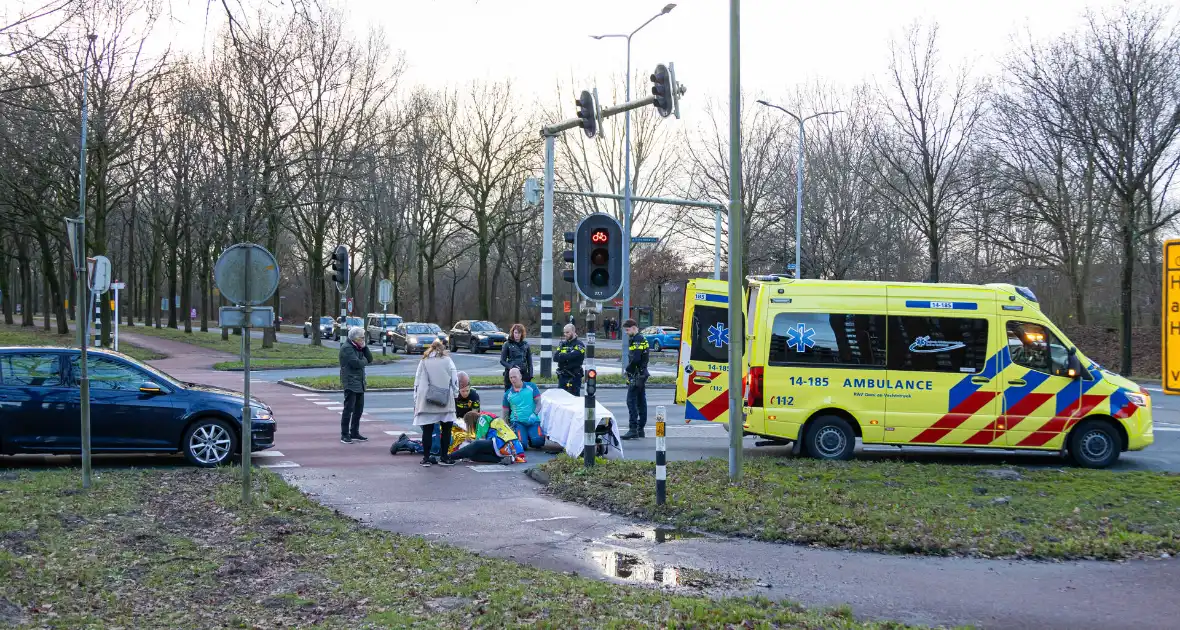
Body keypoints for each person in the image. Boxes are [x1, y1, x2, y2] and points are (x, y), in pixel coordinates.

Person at [413, 339, 459, 467]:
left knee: (427, 430)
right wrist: (455, 394)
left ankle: (426, 458)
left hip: (426, 399)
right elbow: (454, 380)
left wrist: (416, 398)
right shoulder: (448, 360)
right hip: (444, 398)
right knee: (447, 429)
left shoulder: (424, 361)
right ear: (442, 349)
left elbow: (417, 380)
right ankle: (444, 457)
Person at [429, 371, 481, 456]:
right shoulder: (453, 394)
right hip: (455, 420)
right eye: (463, 391)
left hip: (468, 422)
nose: (465, 393)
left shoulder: (474, 395)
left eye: (467, 391)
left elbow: (474, 414)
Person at [338, 326, 373, 444]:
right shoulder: (347, 348)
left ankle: (354, 432)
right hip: (350, 381)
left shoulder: (359, 347)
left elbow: (370, 358)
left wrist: (365, 347)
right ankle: (344, 434)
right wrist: (364, 362)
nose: (363, 339)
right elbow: (356, 363)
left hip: (359, 381)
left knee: (359, 409)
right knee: (349, 409)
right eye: (362, 338)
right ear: (355, 338)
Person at [448, 410, 520, 465]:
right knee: (472, 455)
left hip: (501, 442)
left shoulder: (482, 418)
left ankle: (450, 456)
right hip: (510, 444)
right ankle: (502, 459)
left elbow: (479, 440)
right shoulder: (489, 415)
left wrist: (471, 442)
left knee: (476, 445)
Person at [621, 318, 650, 440]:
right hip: (642, 374)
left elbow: (636, 359)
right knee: (641, 402)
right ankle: (640, 429)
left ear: (634, 327)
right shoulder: (641, 338)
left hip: (637, 375)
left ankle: (633, 429)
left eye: (627, 330)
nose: (626, 332)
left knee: (631, 401)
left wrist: (627, 370)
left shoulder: (637, 339)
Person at [503, 366, 544, 449]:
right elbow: (505, 413)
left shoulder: (531, 387)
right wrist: (506, 427)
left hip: (533, 421)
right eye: (510, 377)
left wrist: (534, 414)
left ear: (520, 376)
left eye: (515, 377)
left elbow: (539, 403)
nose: (512, 379)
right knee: (522, 445)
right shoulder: (508, 394)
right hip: (518, 422)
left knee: (538, 442)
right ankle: (524, 437)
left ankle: (530, 436)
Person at [554, 323, 586, 396]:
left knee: (573, 400)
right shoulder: (563, 344)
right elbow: (555, 358)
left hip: (574, 376)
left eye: (567, 332)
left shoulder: (579, 345)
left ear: (574, 332)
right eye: (564, 332)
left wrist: (562, 356)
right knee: (561, 399)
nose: (565, 334)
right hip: (562, 376)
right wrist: (567, 355)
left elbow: (573, 356)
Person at [499, 323, 532, 388]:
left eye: (519, 333)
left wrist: (530, 374)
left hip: (523, 373)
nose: (517, 335)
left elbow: (529, 362)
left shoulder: (526, 345)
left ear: (522, 334)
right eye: (515, 333)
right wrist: (511, 366)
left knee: (523, 395)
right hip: (511, 374)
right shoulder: (507, 344)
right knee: (509, 395)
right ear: (513, 333)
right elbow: (502, 361)